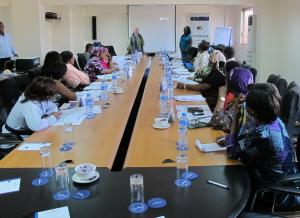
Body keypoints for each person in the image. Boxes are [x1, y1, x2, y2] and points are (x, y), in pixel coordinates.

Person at [225, 83, 297, 185]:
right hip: (287, 173)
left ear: (253, 111)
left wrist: (236, 117)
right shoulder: (277, 121)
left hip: (270, 183)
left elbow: (232, 152)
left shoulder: (262, 133)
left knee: (229, 175)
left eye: (246, 103)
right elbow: (246, 140)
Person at [210, 68, 254, 132]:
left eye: (226, 83)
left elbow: (216, 123)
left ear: (232, 85)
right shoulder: (242, 98)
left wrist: (221, 97)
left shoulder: (242, 102)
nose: (225, 85)